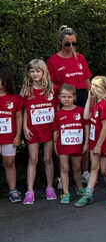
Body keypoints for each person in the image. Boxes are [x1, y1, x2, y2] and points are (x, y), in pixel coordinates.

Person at [75, 76, 106, 207]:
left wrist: (99, 145)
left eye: (93, 86)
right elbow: (86, 116)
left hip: (104, 142)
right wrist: (89, 99)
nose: (90, 88)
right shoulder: (95, 103)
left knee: (104, 170)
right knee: (94, 168)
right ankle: (88, 194)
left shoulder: (105, 105)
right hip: (94, 140)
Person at [21, 60, 57, 203]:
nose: (35, 74)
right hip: (33, 129)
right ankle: (30, 191)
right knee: (33, 159)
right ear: (28, 73)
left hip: (48, 128)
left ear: (44, 72)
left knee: (48, 158)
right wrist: (25, 126)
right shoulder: (26, 90)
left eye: (38, 71)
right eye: (31, 71)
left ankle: (50, 187)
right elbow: (25, 111)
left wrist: (58, 127)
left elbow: (57, 108)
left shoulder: (52, 89)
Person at [52, 84, 88, 205]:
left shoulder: (80, 111)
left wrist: (86, 143)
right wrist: (54, 145)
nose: (66, 99)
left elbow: (86, 127)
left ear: (74, 97)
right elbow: (56, 131)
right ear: (59, 98)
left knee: (77, 167)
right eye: (63, 97)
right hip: (63, 146)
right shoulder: (58, 114)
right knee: (64, 168)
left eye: (69, 96)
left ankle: (79, 188)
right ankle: (66, 192)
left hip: (77, 145)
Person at [47, 26, 92, 108]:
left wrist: (91, 97)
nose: (71, 46)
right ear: (60, 42)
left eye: (74, 43)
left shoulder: (80, 57)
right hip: (65, 98)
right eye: (67, 44)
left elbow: (86, 79)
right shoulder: (53, 60)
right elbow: (51, 85)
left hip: (82, 96)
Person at [0, 65, 23, 202]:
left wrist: (18, 136)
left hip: (9, 138)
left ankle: (13, 190)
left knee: (9, 162)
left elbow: (19, 117)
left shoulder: (14, 98)